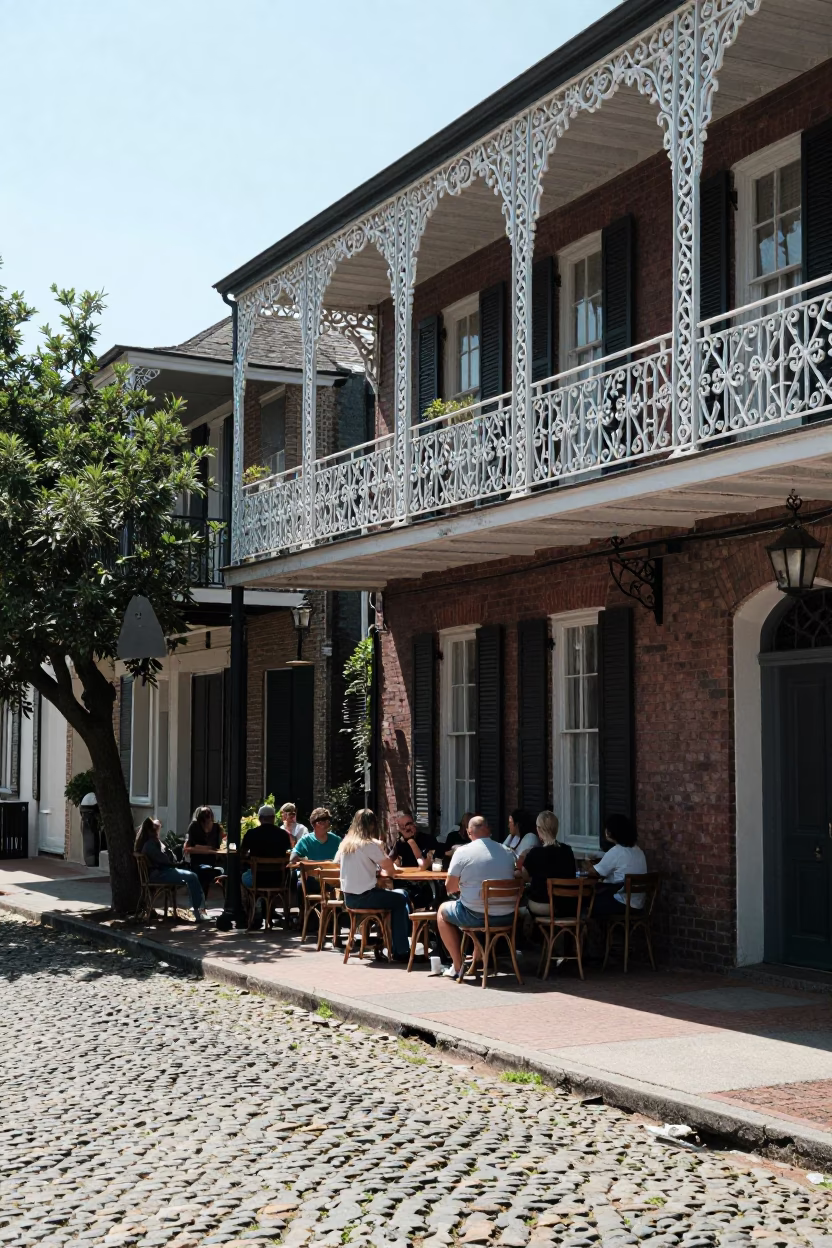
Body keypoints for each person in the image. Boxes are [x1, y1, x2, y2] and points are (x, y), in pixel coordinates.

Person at [436, 815, 518, 979]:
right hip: (507, 917)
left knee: (442, 911)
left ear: (468, 832)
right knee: (473, 906)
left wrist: (465, 887)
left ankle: (457, 967)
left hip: (476, 916)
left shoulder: (462, 852)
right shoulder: (508, 852)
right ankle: (477, 956)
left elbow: (450, 888)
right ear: (489, 830)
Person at [335, 808, 410, 962]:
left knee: (401, 895)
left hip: (349, 898)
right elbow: (389, 868)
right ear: (371, 825)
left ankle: (393, 943)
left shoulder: (345, 844)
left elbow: (336, 863)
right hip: (366, 896)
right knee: (401, 898)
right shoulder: (368, 845)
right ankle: (401, 950)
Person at [136, 817, 207, 922]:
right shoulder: (150, 844)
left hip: (161, 872)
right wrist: (171, 856)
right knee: (192, 877)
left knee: (192, 876)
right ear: (152, 830)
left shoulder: (151, 843)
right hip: (159, 874)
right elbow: (164, 859)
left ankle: (198, 908)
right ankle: (197, 910)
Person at [587, 813, 647, 916]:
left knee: (587, 902)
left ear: (610, 832)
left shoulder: (616, 851)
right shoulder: (639, 851)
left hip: (620, 903)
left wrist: (587, 861)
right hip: (638, 905)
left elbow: (594, 872)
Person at [242, 805, 293, 928]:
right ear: (273, 818)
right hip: (278, 880)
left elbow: (242, 853)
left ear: (260, 818)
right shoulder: (283, 834)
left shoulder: (251, 833)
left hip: (257, 879)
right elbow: (289, 853)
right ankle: (270, 909)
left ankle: (253, 908)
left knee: (242, 877)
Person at [521, 811, 577, 917]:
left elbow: (524, 876)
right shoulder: (567, 851)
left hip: (543, 905)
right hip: (566, 906)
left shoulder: (535, 853)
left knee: (523, 902)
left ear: (539, 829)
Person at [183, 805, 223, 895]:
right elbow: (188, 848)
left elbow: (218, 845)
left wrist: (207, 849)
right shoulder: (194, 827)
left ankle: (202, 897)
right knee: (202, 874)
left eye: (209, 814)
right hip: (197, 860)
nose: (207, 818)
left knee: (215, 872)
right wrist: (208, 849)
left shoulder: (216, 827)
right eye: (205, 815)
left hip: (212, 860)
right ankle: (200, 897)